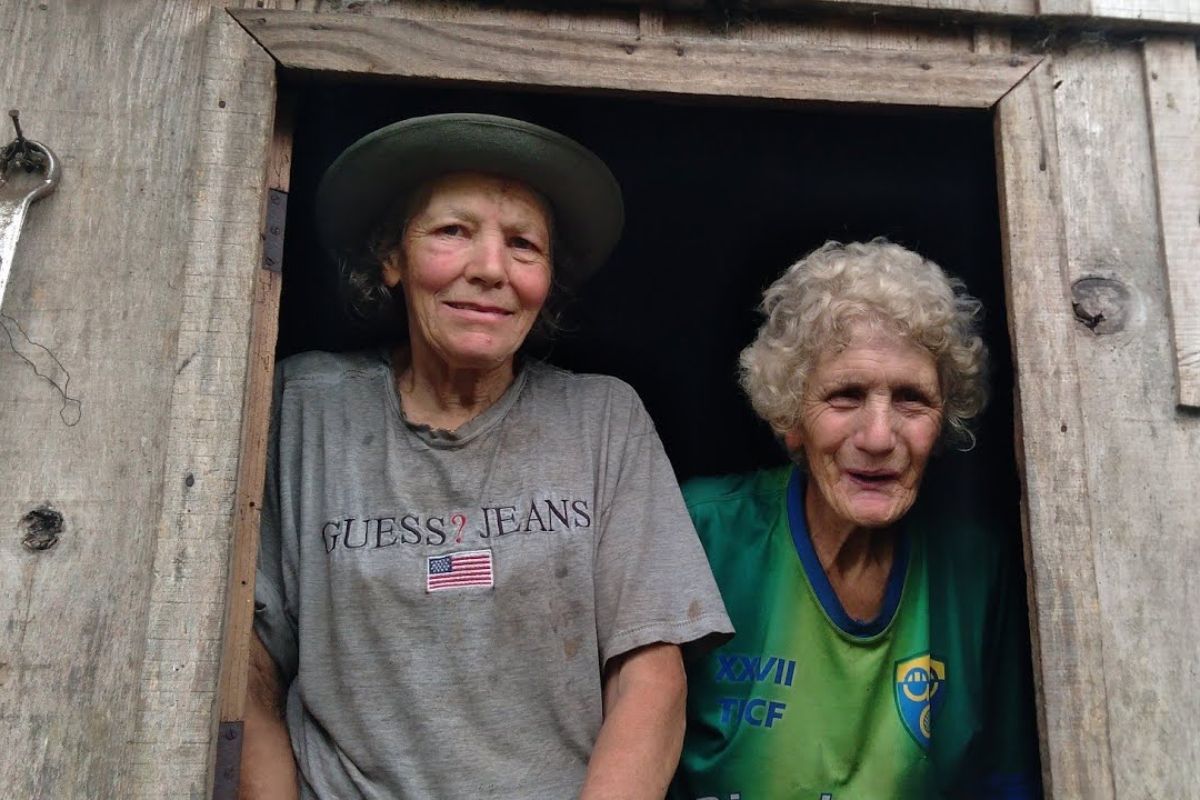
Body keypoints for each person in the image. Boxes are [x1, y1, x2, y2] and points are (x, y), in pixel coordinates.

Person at [242, 113, 732, 800]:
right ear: (393, 256)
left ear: (548, 279)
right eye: (453, 232)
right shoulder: (305, 407)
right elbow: (251, 663)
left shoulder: (601, 419)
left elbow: (650, 672)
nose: (491, 270)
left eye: (524, 245)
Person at [670, 240, 1041, 799]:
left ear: (943, 423)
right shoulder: (703, 535)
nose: (877, 437)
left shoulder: (976, 569)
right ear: (791, 416)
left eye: (912, 400)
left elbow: (1006, 780)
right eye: (846, 395)